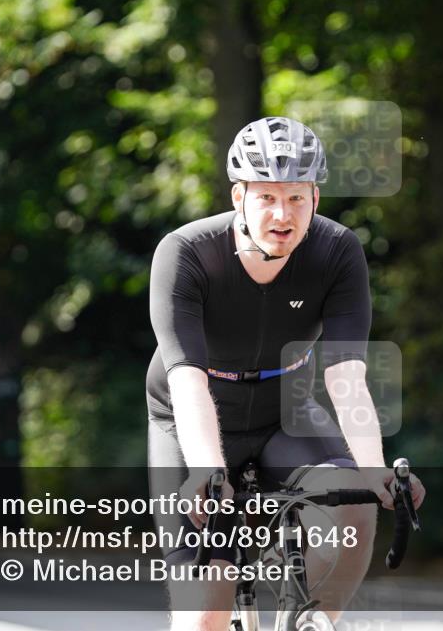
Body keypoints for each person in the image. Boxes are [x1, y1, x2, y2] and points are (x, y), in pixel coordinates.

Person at [147, 116, 425, 631]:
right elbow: (186, 379)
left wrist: (373, 468)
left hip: (284, 411)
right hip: (194, 417)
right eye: (267, 197)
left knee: (356, 504)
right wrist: (208, 471)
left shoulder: (337, 251)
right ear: (238, 197)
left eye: (297, 198)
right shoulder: (186, 253)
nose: (282, 214)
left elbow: (345, 376)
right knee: (204, 616)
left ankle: (316, 622)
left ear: (316, 200)